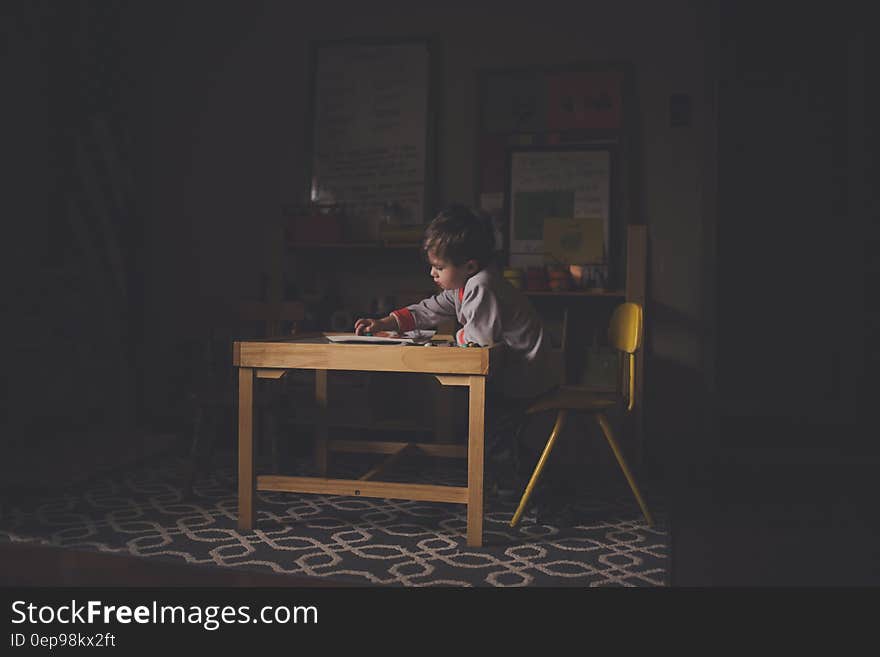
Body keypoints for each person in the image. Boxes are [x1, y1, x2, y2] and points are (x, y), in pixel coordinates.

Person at [354, 204, 560, 502]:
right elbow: (429, 310)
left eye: (439, 267)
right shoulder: (466, 285)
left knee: (496, 437)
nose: (432, 273)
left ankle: (532, 494)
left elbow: (479, 340)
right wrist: (386, 322)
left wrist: (449, 339)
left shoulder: (481, 286)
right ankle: (517, 487)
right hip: (516, 375)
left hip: (524, 379)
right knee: (497, 436)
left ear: (469, 266)